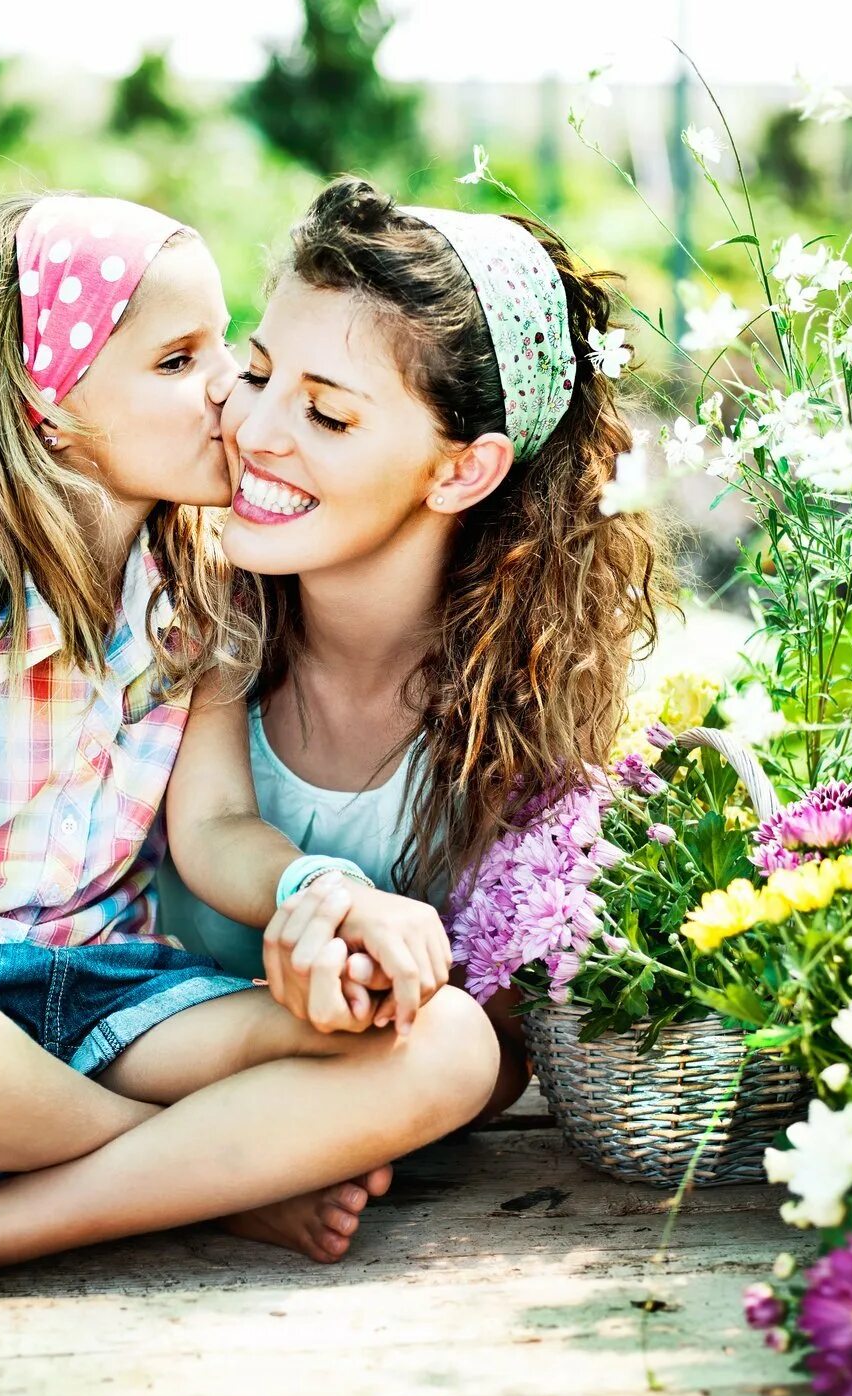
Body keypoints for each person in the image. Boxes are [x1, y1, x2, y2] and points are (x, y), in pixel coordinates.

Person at [0, 192, 496, 1305]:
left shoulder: (195, 605)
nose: (230, 395)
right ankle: (215, 1182)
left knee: (448, 1045)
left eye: (221, 352)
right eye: (179, 361)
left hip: (116, 997)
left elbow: (214, 831)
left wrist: (323, 893)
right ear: (46, 411)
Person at [161, 177, 674, 1118]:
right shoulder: (182, 618)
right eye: (259, 373)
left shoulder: (522, 717)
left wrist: (368, 981)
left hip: (315, 1129)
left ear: (460, 468)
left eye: (327, 414)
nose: (255, 431)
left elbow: (507, 1052)